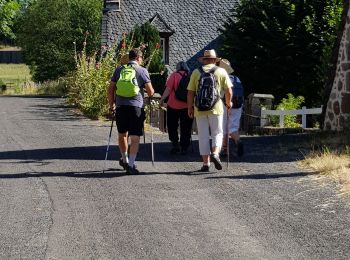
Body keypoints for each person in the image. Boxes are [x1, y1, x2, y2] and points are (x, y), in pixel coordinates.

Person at [108, 48, 154, 174]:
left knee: (122, 134)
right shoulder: (142, 70)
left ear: (129, 58)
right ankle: (131, 165)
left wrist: (111, 104)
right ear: (139, 58)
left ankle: (125, 160)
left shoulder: (119, 70)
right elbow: (150, 92)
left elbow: (110, 89)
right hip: (136, 107)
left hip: (121, 107)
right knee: (134, 138)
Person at [187, 49, 233, 172]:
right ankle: (216, 153)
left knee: (202, 136)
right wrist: (229, 104)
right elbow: (228, 91)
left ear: (204, 59)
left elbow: (190, 92)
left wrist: (189, 107)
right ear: (215, 60)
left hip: (199, 108)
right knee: (217, 132)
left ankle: (205, 163)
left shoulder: (196, 72)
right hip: (216, 107)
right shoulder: (221, 71)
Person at [159, 61, 193, 155]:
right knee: (186, 127)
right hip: (187, 105)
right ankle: (184, 147)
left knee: (172, 126)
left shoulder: (174, 75)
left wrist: (162, 100)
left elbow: (168, 89)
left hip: (173, 105)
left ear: (178, 68)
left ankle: (175, 144)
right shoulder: (190, 76)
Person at [218, 59, 244, 157]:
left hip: (225, 104)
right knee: (233, 128)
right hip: (237, 105)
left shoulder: (220, 78)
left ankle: (225, 150)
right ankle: (238, 141)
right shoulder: (236, 79)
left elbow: (220, 94)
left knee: (223, 127)